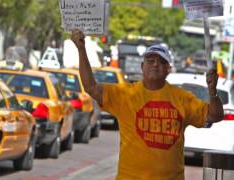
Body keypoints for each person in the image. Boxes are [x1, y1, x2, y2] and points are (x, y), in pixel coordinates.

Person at [71, 29, 224, 180]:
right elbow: (91, 87)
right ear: (142, 67)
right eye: (151, 61)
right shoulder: (125, 94)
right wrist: (81, 49)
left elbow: (214, 116)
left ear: (168, 70)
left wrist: (212, 93)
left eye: (161, 62)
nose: (156, 64)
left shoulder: (182, 98)